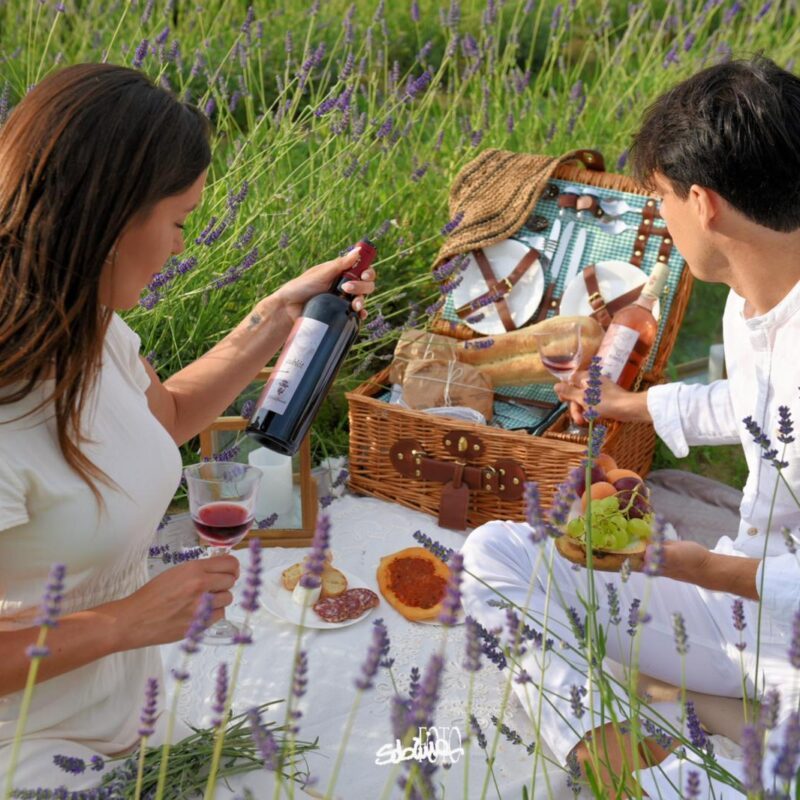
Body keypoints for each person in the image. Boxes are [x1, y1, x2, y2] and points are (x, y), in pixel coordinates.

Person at [0, 64, 376, 788]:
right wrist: (121, 624)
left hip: (124, 708)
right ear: (109, 219)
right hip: (30, 748)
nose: (182, 247)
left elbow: (163, 416)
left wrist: (277, 317)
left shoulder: (83, 326)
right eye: (178, 221)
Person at [460, 55, 800, 797]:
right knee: (493, 552)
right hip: (740, 613)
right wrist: (628, 407)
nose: (661, 222)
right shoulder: (755, 304)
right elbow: (752, 404)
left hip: (780, 637)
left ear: (703, 204)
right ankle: (606, 746)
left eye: (661, 201)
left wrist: (683, 564)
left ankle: (682, 775)